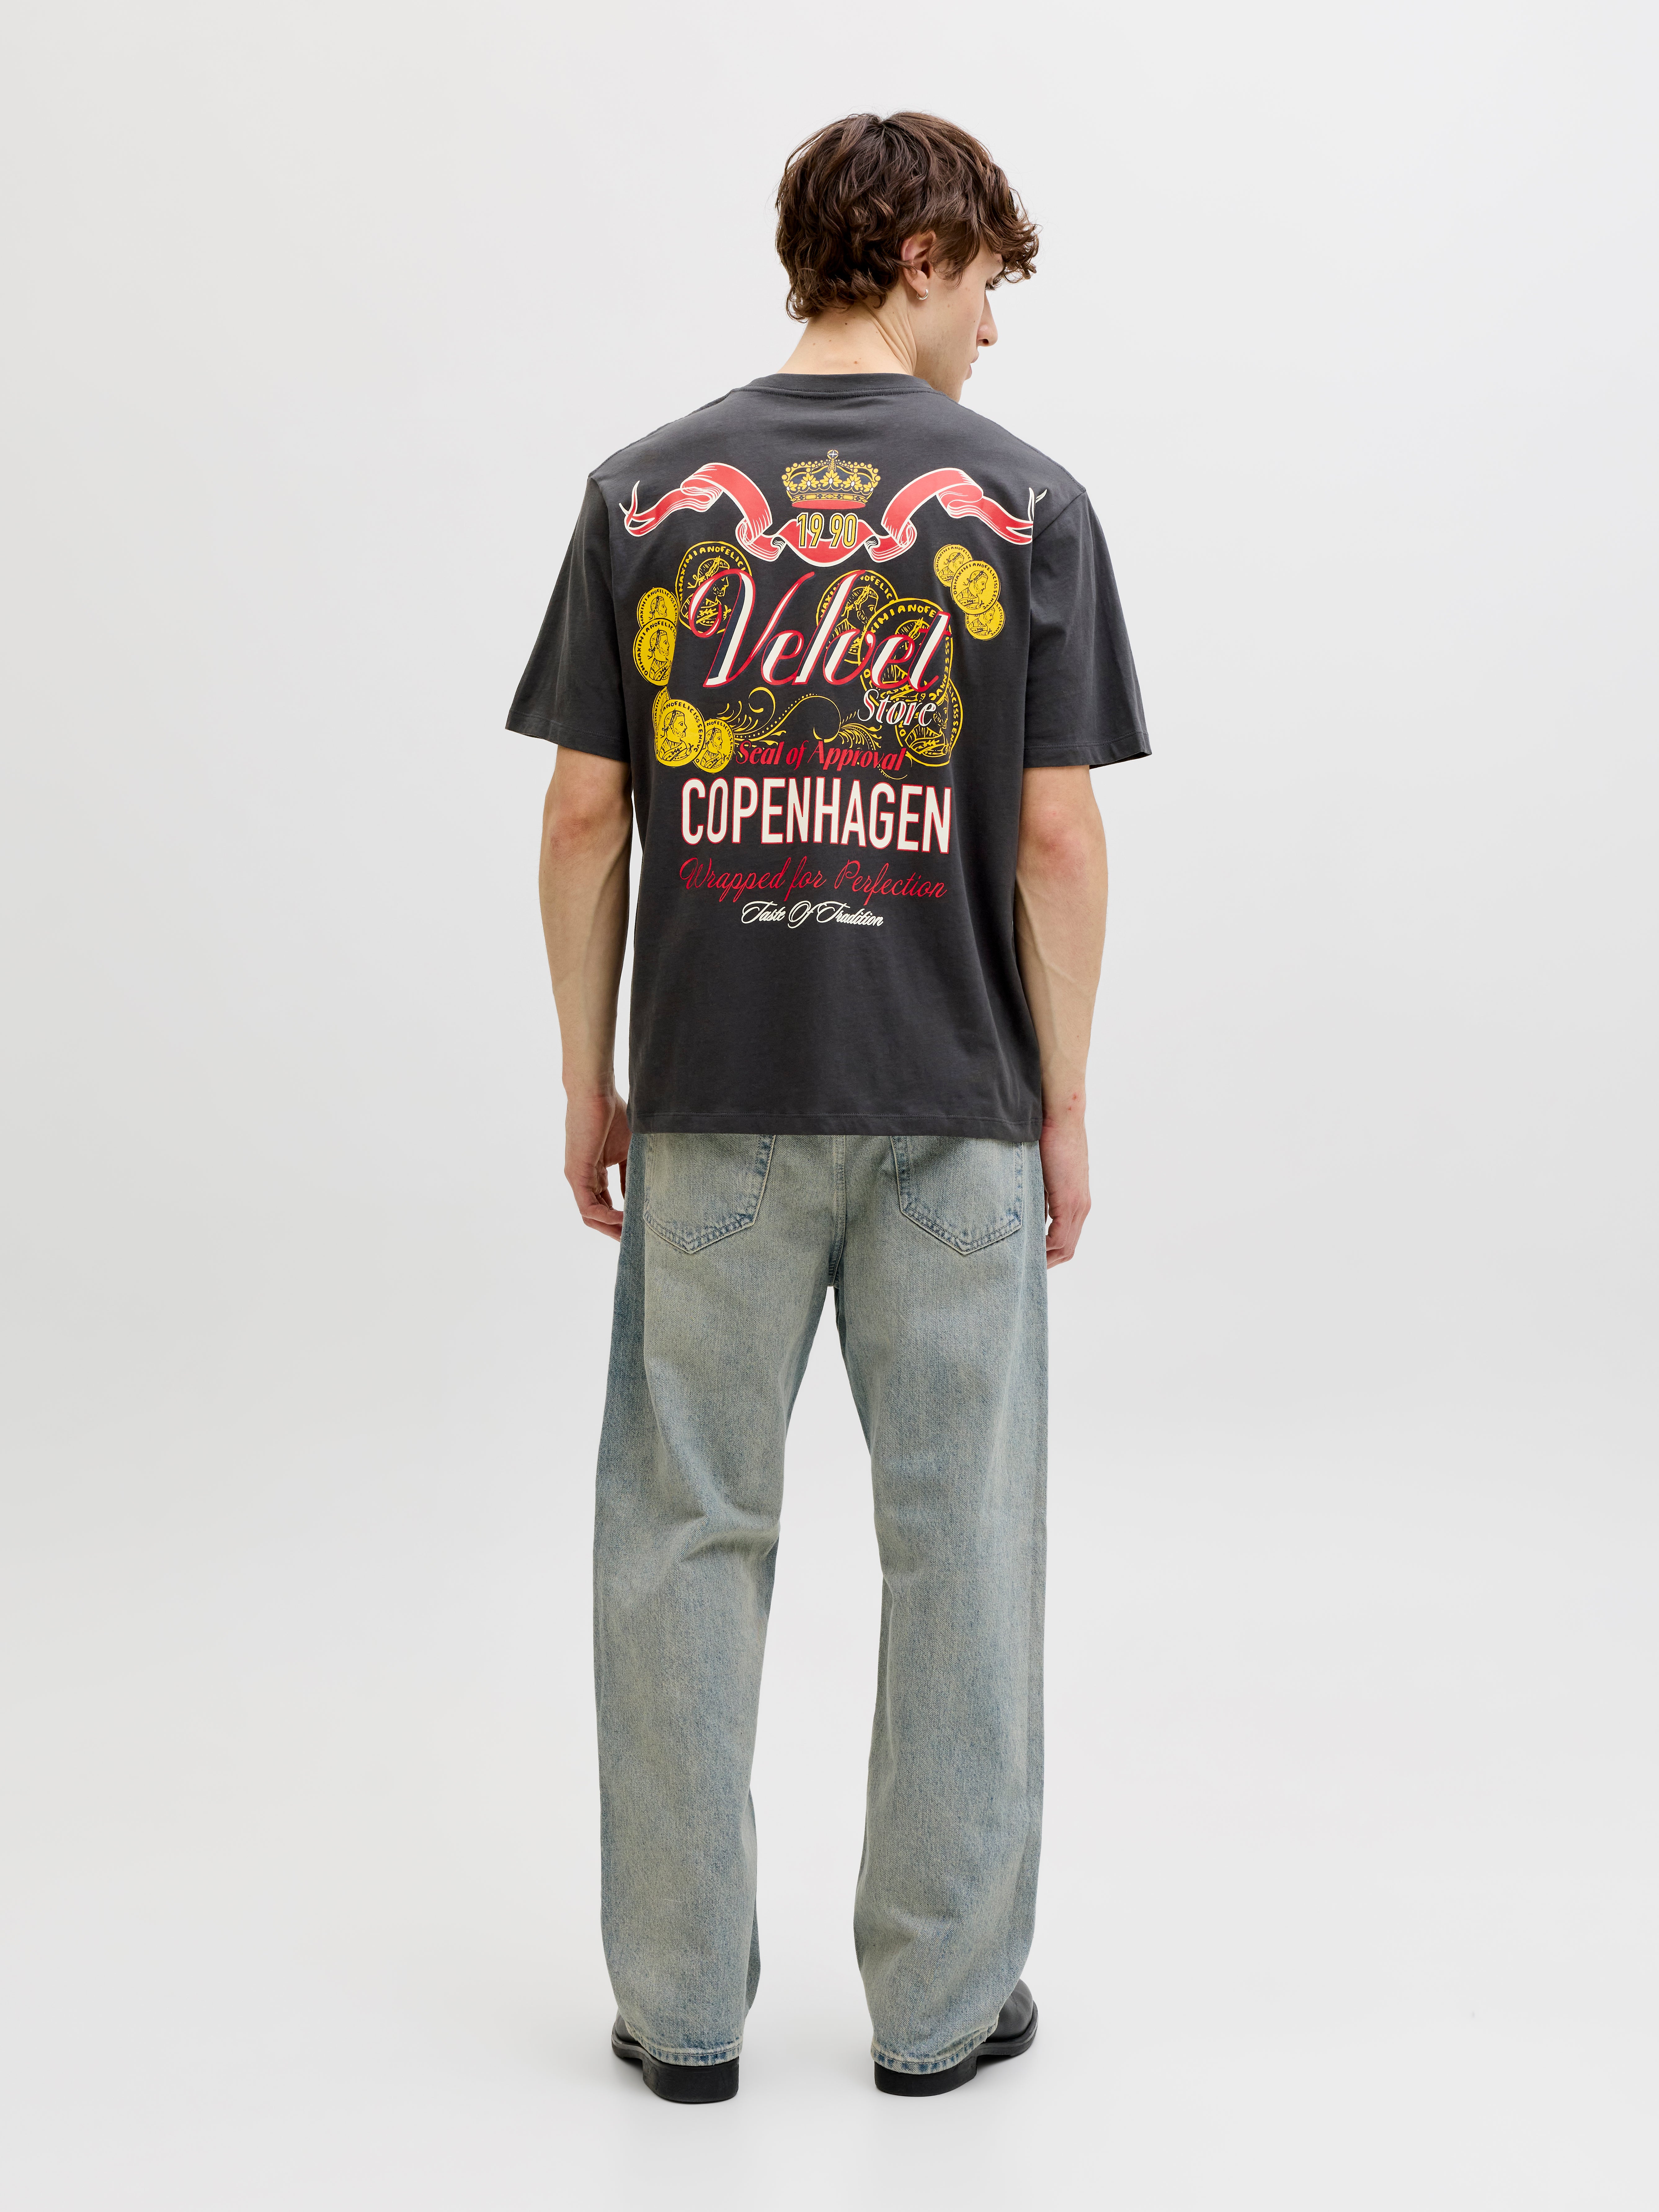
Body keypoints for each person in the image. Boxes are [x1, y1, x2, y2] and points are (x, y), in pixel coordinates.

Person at [506, 111, 1148, 2105]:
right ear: (925, 256)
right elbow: (1055, 841)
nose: (992, 334)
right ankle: (941, 2011)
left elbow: (585, 813)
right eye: (988, 288)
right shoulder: (1023, 507)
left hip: (714, 1104)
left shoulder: (642, 497)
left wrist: (591, 1077)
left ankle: (680, 2010)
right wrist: (1062, 1103)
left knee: (682, 1539)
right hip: (951, 1104)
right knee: (962, 1548)